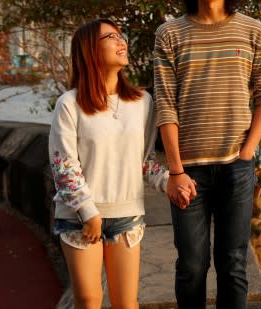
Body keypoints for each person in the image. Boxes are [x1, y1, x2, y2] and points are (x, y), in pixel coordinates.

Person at [153, 0, 261, 308]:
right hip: (187, 169)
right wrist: (175, 171)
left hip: (235, 168)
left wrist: (247, 151)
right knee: (191, 265)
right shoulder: (170, 34)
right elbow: (165, 105)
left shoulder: (252, 31)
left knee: (233, 262)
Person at [49, 19, 156, 309]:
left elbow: (144, 161)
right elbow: (64, 166)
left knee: (126, 303)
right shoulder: (69, 104)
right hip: (78, 217)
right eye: (111, 37)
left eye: (122, 35)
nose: (122, 42)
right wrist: (88, 211)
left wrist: (171, 180)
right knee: (88, 299)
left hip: (126, 215)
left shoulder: (144, 102)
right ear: (89, 51)